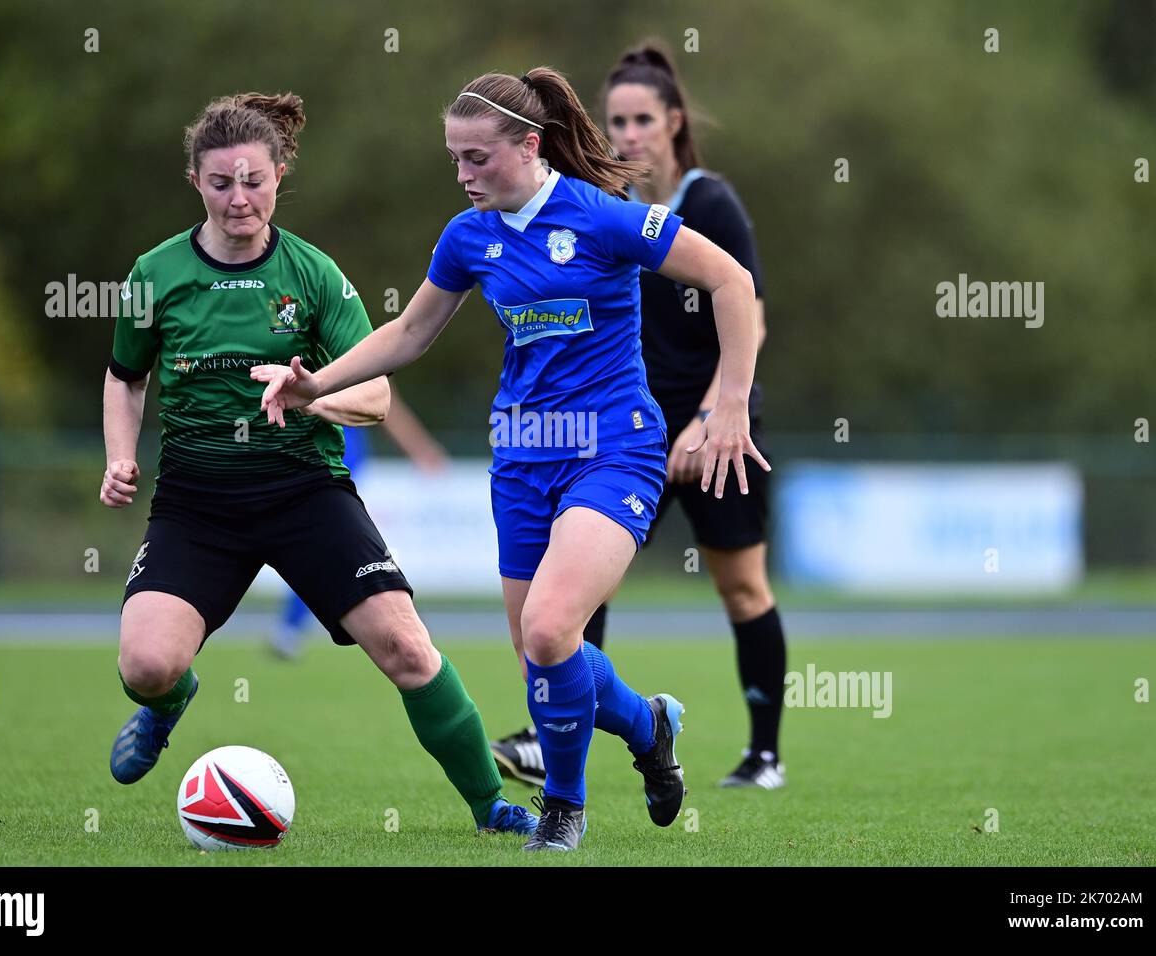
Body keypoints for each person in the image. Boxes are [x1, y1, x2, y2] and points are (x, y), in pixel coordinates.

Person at [252, 68, 766, 851]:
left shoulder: (604, 217)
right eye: (454, 160)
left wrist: (728, 403)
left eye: (476, 159)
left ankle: (564, 808)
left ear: (529, 145)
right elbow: (412, 334)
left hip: (615, 449)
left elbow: (730, 279)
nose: (462, 176)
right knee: (543, 654)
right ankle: (650, 724)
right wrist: (316, 381)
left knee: (555, 630)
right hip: (522, 461)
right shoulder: (469, 236)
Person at [101, 90, 537, 838]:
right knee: (145, 666)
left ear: (278, 176)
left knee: (407, 648)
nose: (239, 199)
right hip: (197, 502)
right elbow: (125, 375)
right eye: (220, 183)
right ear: (196, 183)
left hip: (307, 493)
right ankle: (171, 703)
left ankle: (489, 807)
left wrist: (306, 396)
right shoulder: (155, 273)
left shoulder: (313, 275)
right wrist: (120, 455)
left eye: (254, 181)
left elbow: (374, 395)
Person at [492, 43, 788, 791]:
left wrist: (715, 416)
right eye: (615, 119)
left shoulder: (709, 203)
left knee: (743, 589)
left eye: (641, 119)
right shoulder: (603, 209)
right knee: (579, 584)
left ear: (673, 122)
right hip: (623, 438)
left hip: (715, 434)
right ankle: (555, 733)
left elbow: (746, 307)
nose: (626, 133)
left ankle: (763, 756)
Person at [269, 388, 449, 660]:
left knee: (328, 547)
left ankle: (397, 616)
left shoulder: (342, 348)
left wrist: (419, 448)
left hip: (335, 451)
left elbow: (383, 399)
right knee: (328, 547)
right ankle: (400, 616)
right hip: (321, 450)